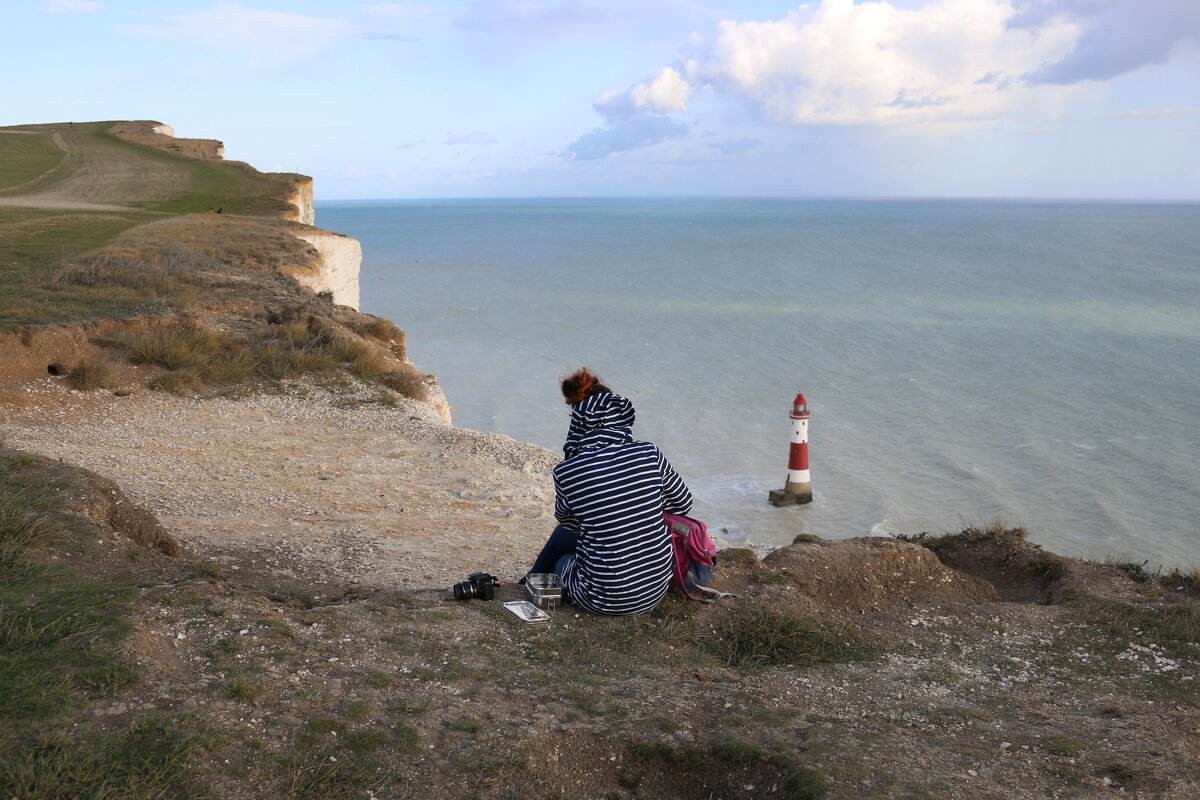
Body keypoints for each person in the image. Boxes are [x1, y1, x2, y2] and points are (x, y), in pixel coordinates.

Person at [524, 367, 692, 615]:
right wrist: (639, 507)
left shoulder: (568, 471)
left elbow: (570, 525)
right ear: (620, 416)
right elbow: (683, 503)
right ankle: (525, 581)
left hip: (600, 599)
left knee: (561, 558)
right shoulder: (649, 453)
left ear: (580, 422)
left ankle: (525, 583)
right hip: (655, 591)